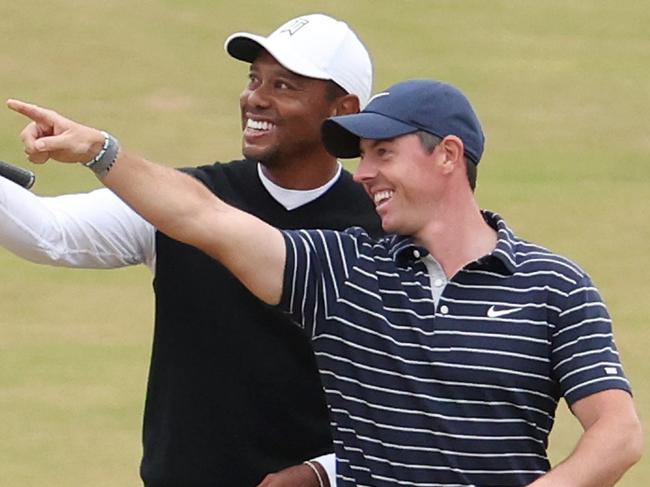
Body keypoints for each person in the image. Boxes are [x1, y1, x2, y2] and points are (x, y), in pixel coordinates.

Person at [7, 78, 643, 486]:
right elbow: (201, 216)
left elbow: (616, 435)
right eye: (360, 156)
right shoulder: (344, 269)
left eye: (382, 153)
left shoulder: (554, 284)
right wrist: (101, 152)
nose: (363, 174)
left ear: (447, 156)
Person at [1, 14, 384, 487]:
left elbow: (423, 412)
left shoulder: (384, 230)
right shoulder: (180, 199)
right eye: (254, 79)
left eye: (284, 86)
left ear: (342, 110)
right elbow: (48, 231)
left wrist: (322, 473)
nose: (255, 98)